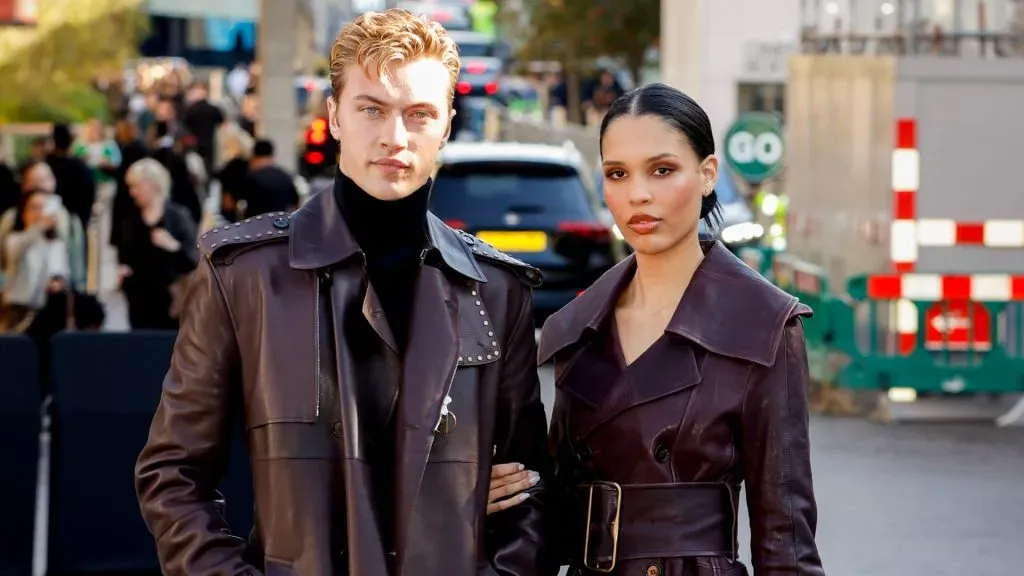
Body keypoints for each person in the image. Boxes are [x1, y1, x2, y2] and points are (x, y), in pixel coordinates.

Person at [135, 9, 553, 576]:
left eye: (419, 114)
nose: (395, 137)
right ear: (334, 115)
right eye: (371, 109)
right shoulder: (244, 274)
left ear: (448, 123)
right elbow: (174, 475)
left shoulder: (498, 290)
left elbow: (532, 489)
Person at [501, 83, 827, 575]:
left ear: (707, 174)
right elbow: (553, 505)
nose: (638, 194)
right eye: (617, 174)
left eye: (662, 170)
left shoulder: (764, 325)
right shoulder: (577, 327)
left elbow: (787, 541)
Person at [117, 158, 198, 330]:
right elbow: (125, 257)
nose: (133, 192)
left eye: (136, 186)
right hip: (139, 305)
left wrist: (172, 246)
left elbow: (192, 260)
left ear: (152, 184)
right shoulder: (130, 222)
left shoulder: (178, 217)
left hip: (173, 305)